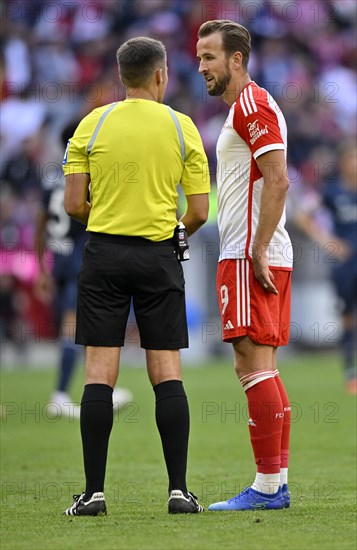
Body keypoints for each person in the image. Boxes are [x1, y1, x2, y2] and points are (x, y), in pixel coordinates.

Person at [62, 37, 210, 515]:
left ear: (121, 77)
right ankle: (178, 492)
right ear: (161, 75)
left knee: (99, 373)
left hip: (103, 253)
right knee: (166, 371)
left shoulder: (92, 122)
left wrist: (109, 223)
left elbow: (72, 205)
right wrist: (171, 231)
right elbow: (200, 211)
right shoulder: (181, 126)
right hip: (159, 254)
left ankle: (93, 495)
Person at [197, 20, 292, 511]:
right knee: (262, 367)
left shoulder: (252, 104)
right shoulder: (244, 107)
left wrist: (256, 248)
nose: (201, 66)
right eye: (198, 57)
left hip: (248, 254)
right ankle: (277, 483)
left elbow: (278, 179)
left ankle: (267, 487)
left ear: (236, 59)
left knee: (251, 365)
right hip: (255, 250)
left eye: (209, 57)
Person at [35, 121, 133, 418]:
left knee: (87, 324)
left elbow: (40, 225)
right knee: (76, 324)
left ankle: (101, 385)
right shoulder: (84, 175)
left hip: (58, 258)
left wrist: (41, 268)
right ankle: (61, 393)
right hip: (81, 258)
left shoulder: (51, 177)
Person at [292, 142, 357, 394]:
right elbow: (302, 217)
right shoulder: (331, 192)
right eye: (351, 158)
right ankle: (350, 372)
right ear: (343, 163)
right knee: (348, 316)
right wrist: (328, 241)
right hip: (345, 265)